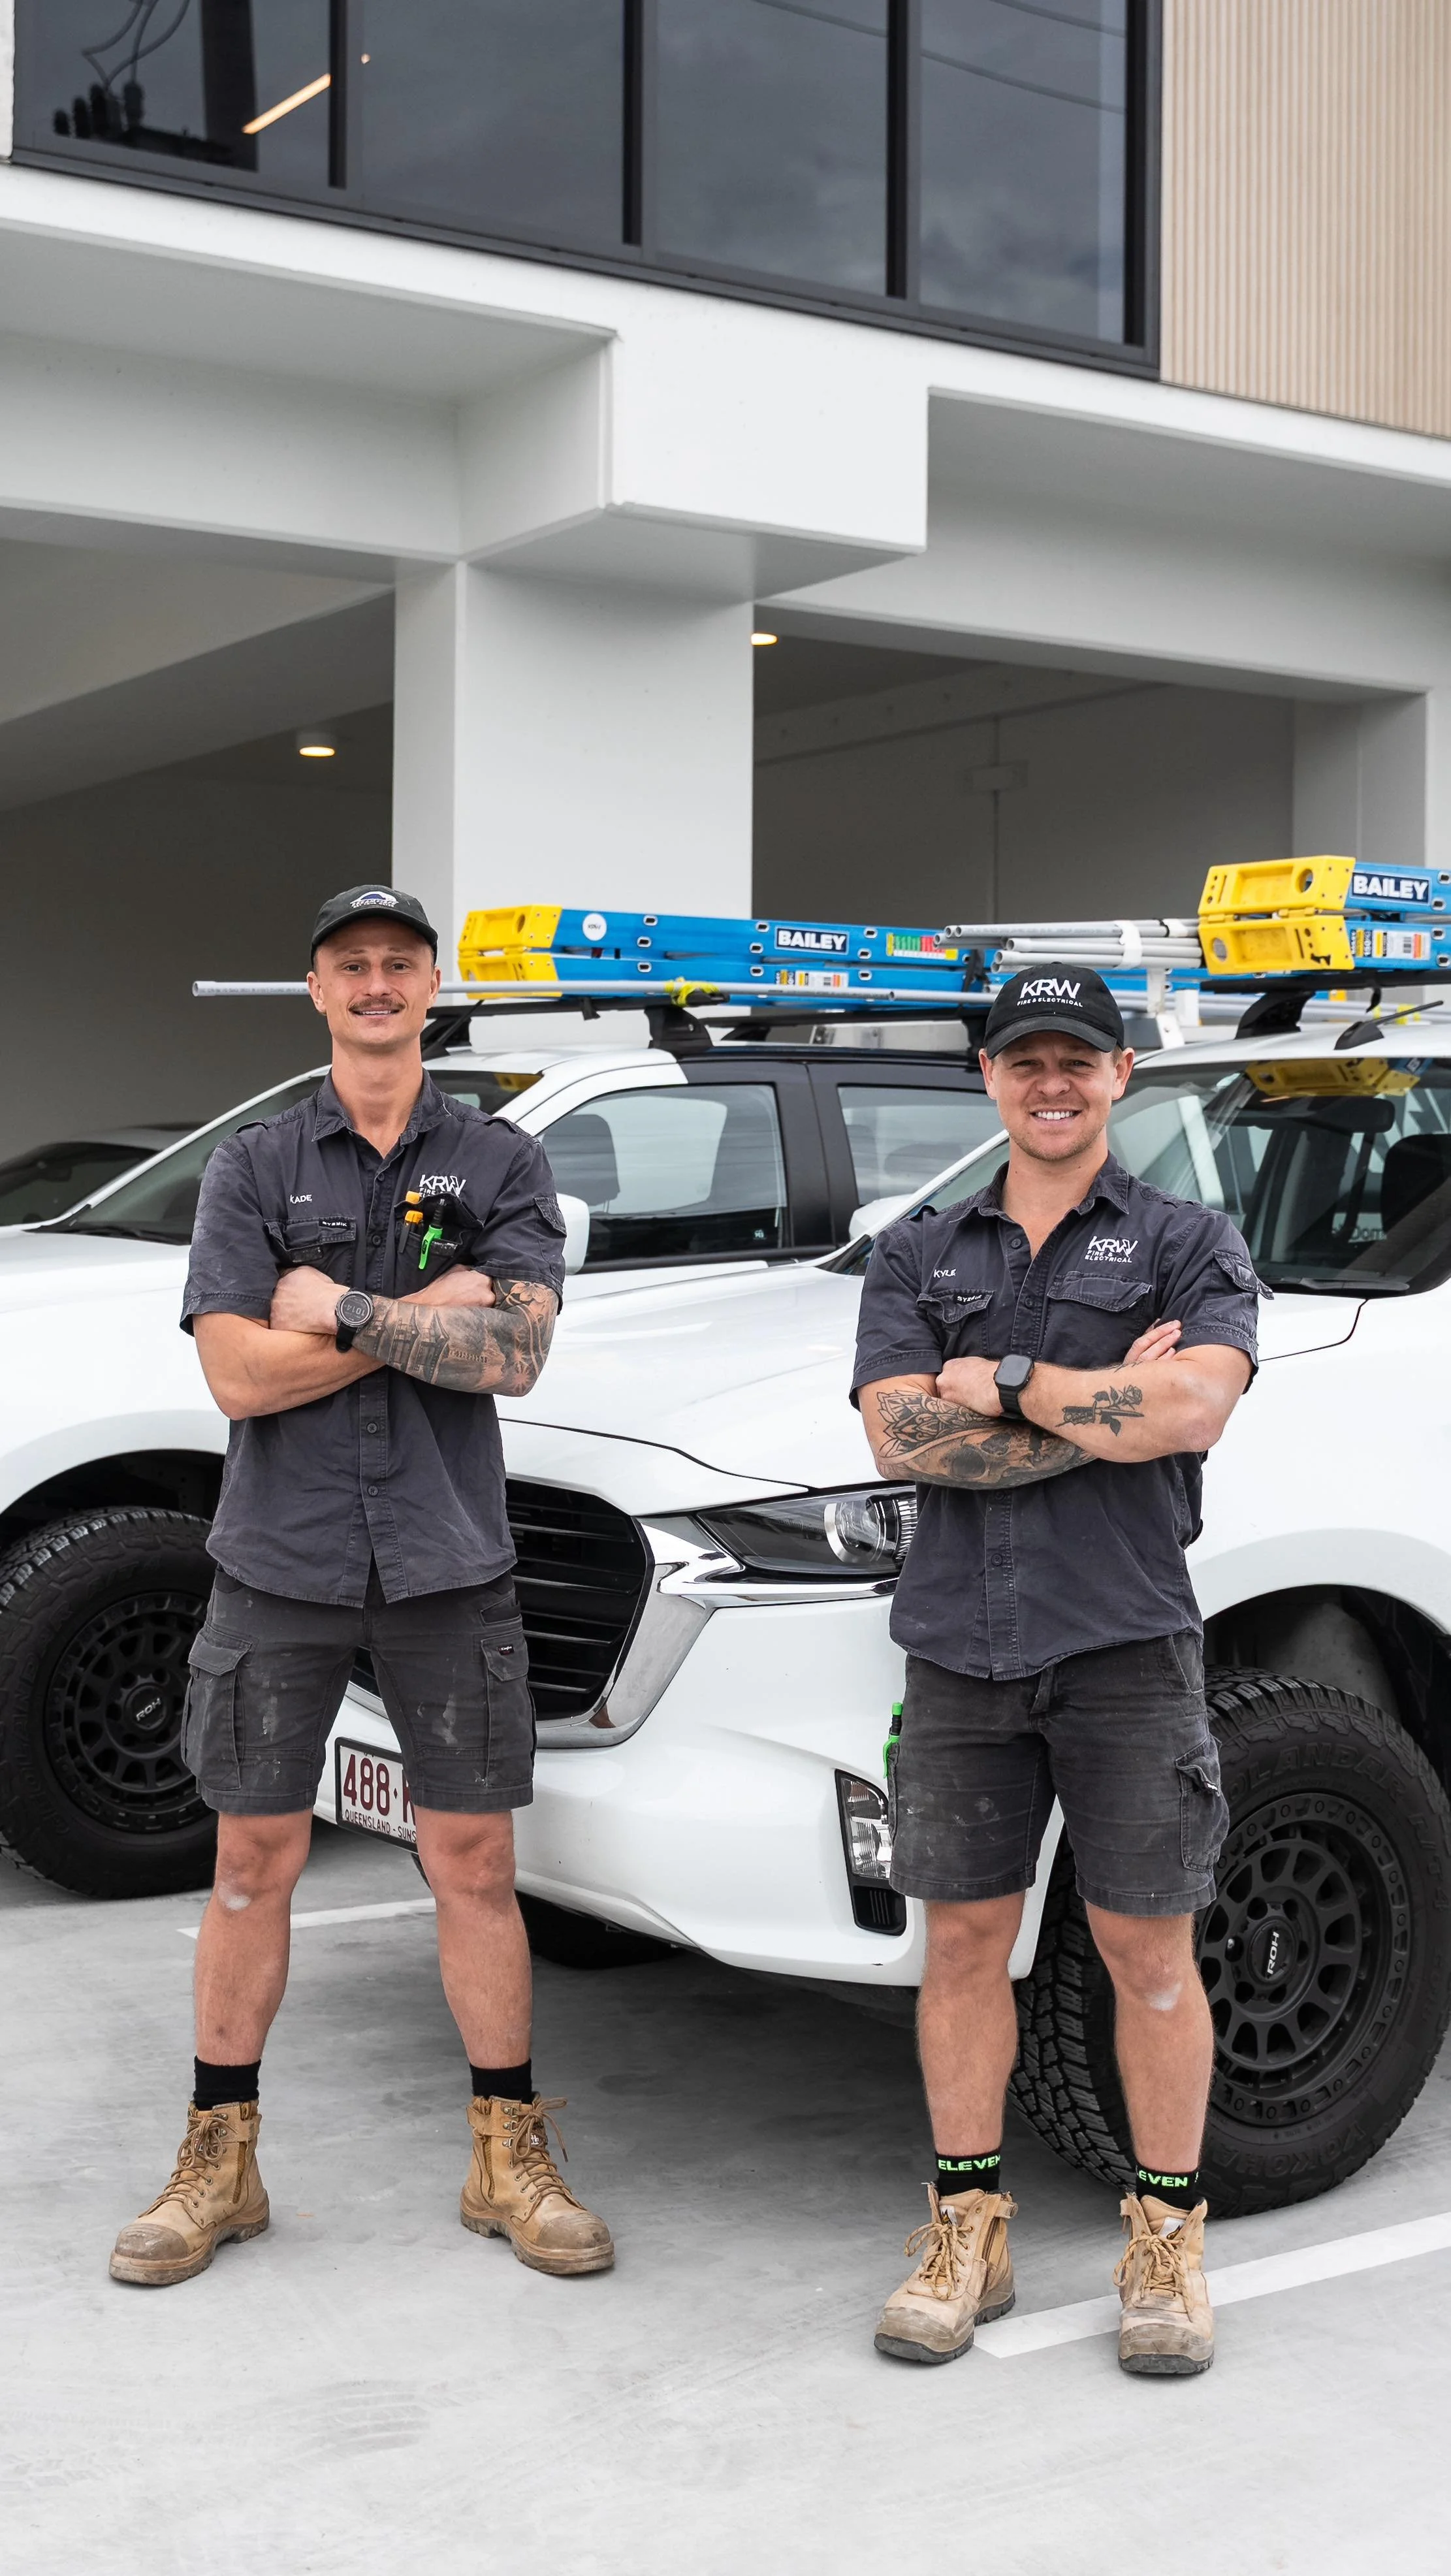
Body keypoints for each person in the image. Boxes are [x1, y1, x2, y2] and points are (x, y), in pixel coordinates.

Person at [110, 884, 613, 2289]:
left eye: (399, 963)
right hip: (281, 1561)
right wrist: (426, 1314)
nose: (377, 985)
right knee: (249, 1865)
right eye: (352, 966)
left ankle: (506, 2149)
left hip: (449, 1562)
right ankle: (221, 2156)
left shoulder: (499, 1157)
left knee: (476, 1864)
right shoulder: (255, 1167)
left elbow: (516, 1354)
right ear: (318, 991)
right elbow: (233, 1373)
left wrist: (329, 1305)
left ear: (432, 986)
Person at [852, 963, 1258, 2375]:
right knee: (962, 1944)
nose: (1051, 1082)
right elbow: (902, 1440)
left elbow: (1196, 1402)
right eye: (1024, 1060)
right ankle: (967, 2224)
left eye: (1076, 1059)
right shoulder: (917, 1253)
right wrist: (1103, 1403)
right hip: (958, 1647)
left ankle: (1165, 2236)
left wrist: (1007, 1382)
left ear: (1121, 1074)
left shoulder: (1185, 1241)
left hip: (1125, 1642)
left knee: (1148, 1949)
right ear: (987, 1078)